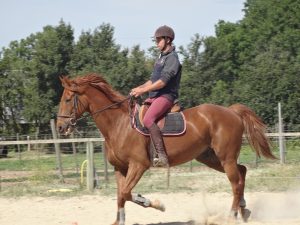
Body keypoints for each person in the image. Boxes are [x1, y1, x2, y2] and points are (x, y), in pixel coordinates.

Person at [130, 25, 182, 167]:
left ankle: (161, 155)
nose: (156, 43)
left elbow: (162, 82)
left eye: (159, 40)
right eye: (156, 40)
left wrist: (143, 91)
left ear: (168, 40)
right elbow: (153, 80)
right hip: (155, 96)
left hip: (166, 96)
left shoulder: (172, 58)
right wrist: (139, 88)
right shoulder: (161, 58)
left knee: (148, 119)